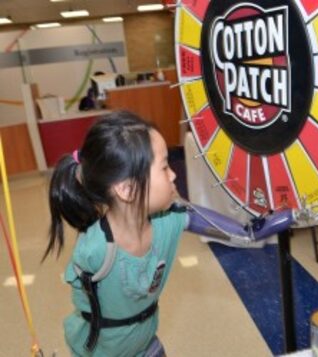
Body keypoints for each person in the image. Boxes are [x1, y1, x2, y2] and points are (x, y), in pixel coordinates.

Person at [44, 111, 300, 356]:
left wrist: (254, 231)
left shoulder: (170, 221)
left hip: (145, 343)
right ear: (128, 190)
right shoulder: (95, 249)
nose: (174, 174)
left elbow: (230, 229)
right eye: (165, 167)